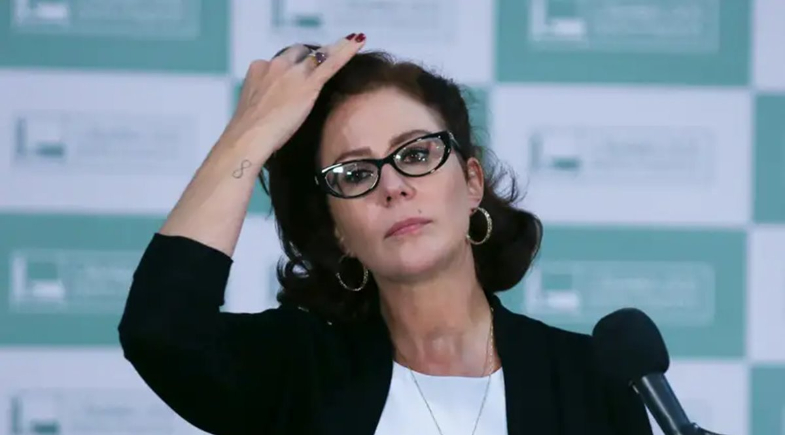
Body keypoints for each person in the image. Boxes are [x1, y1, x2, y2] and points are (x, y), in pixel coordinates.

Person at [117, 33, 654, 435]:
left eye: (416, 154)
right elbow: (162, 332)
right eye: (355, 174)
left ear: (471, 183)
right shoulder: (298, 372)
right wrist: (250, 133)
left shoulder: (592, 380)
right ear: (337, 229)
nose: (393, 185)